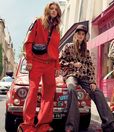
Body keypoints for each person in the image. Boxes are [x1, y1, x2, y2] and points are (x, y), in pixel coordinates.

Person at [59, 24, 114, 132]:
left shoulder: (86, 51)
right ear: (75, 35)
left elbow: (90, 67)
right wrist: (72, 64)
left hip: (84, 77)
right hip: (71, 75)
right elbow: (60, 62)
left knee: (97, 92)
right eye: (79, 33)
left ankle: (109, 125)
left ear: (84, 36)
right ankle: (71, 127)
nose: (81, 36)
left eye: (83, 34)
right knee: (71, 89)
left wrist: (92, 81)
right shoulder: (68, 47)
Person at [18, 2, 61, 132]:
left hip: (50, 64)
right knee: (33, 90)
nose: (53, 11)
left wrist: (57, 66)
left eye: (56, 9)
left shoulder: (57, 29)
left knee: (49, 94)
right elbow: (28, 41)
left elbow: (56, 49)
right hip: (36, 62)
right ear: (47, 10)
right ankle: (28, 125)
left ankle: (43, 124)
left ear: (58, 12)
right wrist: (29, 60)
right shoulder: (38, 21)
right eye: (51, 8)